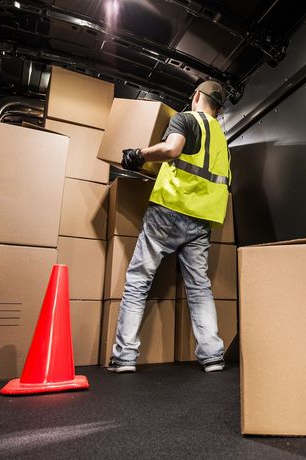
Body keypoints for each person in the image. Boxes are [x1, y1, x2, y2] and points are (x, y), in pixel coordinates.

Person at [107, 81, 231, 374]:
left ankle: (124, 357)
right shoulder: (223, 142)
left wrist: (138, 154)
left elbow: (172, 149)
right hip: (201, 220)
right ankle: (213, 356)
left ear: (197, 96)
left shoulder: (187, 118)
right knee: (199, 287)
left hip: (169, 210)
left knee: (139, 279)